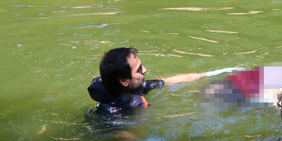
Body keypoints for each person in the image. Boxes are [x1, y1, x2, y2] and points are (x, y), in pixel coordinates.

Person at [88, 46, 239, 114]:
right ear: (124, 81)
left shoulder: (131, 87)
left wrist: (208, 74)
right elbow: (121, 135)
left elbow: (167, 81)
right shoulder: (116, 110)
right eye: (139, 70)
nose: (145, 70)